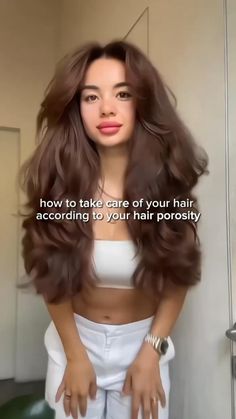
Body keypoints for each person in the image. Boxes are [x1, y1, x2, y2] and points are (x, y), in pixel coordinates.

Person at [18, 39, 209, 419]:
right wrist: (75, 355)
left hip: (144, 344)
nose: (106, 108)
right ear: (77, 109)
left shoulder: (165, 188)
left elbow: (178, 276)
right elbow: (50, 274)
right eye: (91, 97)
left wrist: (151, 350)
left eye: (122, 93)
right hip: (75, 341)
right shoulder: (62, 189)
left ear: (142, 102)